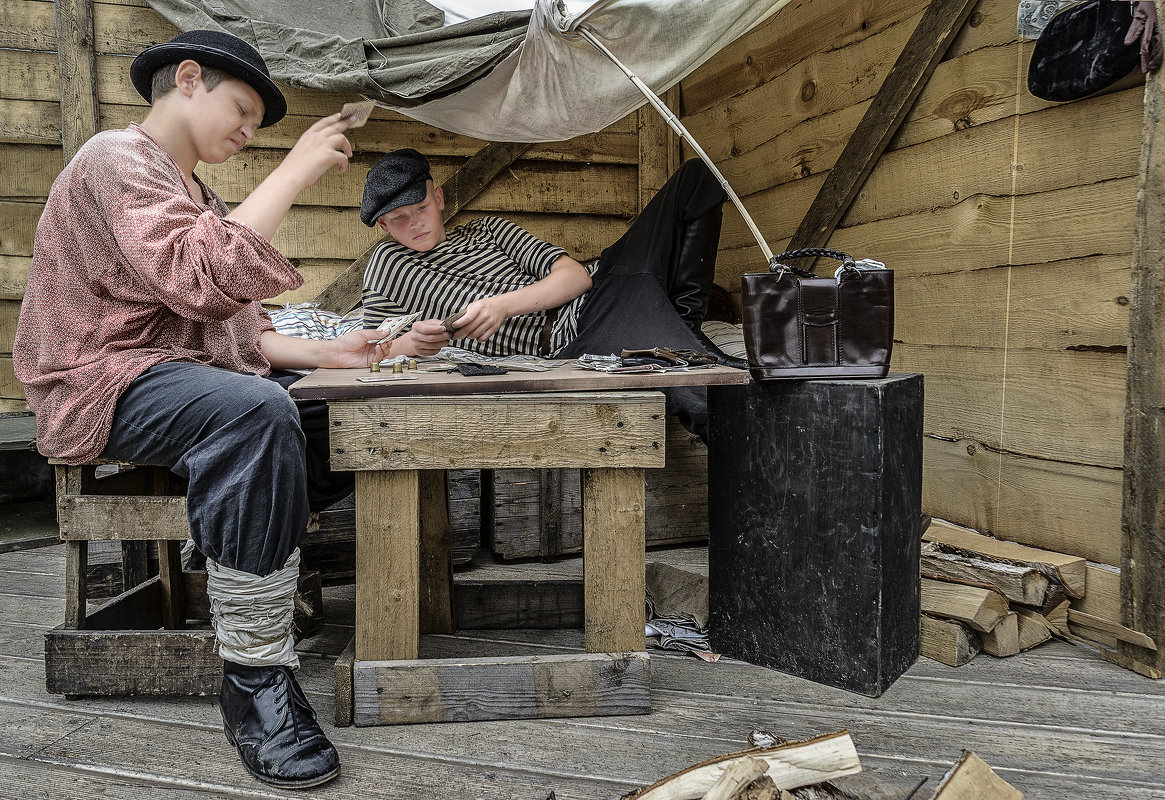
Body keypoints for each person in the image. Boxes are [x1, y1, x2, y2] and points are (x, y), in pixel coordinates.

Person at [13, 31, 444, 789]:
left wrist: (337, 354)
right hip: (99, 379)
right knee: (253, 414)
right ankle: (254, 678)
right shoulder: (115, 159)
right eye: (243, 111)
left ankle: (232, 555)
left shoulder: (193, 194)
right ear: (187, 78)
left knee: (334, 417)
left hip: (176, 379)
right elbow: (198, 276)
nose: (248, 132)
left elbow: (240, 332)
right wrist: (297, 168)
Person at [358, 149, 745, 441]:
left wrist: (502, 307)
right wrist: (413, 342)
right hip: (573, 339)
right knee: (704, 395)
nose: (415, 223)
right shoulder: (387, 264)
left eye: (421, 207)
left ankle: (681, 326)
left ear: (439, 198)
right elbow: (374, 348)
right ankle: (685, 341)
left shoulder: (489, 230)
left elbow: (575, 277)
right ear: (382, 225)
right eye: (398, 219)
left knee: (697, 177)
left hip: (603, 288)